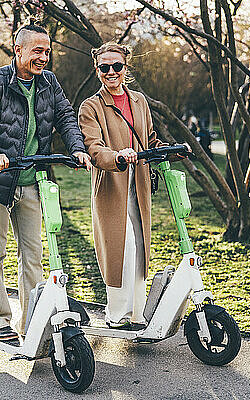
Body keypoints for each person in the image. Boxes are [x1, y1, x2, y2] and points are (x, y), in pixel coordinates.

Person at [0, 24, 92, 343]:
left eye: (47, 51)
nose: (43, 57)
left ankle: (31, 320)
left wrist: (76, 147)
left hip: (33, 180)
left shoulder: (48, 83)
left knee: (32, 255)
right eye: (37, 51)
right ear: (18, 51)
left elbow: (65, 118)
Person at [78, 42, 173, 330]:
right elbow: (94, 148)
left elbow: (149, 139)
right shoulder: (91, 106)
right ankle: (116, 314)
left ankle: (136, 315)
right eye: (104, 67)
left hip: (139, 183)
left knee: (140, 247)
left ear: (125, 68)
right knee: (121, 247)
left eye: (116, 66)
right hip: (113, 184)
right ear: (97, 70)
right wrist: (117, 156)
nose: (111, 72)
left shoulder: (139, 101)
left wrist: (168, 150)